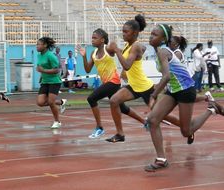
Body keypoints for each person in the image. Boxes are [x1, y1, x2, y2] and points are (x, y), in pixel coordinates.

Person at [144, 24, 224, 172]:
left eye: (154, 35)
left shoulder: (163, 52)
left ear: (163, 39)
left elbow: (167, 76)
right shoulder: (159, 52)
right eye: (151, 34)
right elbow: (168, 76)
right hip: (174, 90)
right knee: (153, 120)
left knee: (186, 132)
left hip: (186, 90)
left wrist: (153, 95)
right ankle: (161, 159)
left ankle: (211, 109)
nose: (150, 37)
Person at [106, 14, 174, 142]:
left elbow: (126, 65)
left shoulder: (136, 46)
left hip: (144, 87)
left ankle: (187, 127)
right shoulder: (128, 45)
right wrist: (111, 49)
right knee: (114, 101)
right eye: (123, 31)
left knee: (163, 114)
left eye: (126, 32)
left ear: (135, 33)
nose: (123, 34)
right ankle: (120, 134)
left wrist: (117, 51)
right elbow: (115, 54)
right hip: (133, 86)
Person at [77, 28, 145, 138]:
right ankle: (144, 122)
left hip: (113, 82)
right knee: (122, 108)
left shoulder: (108, 49)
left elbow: (124, 53)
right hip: (107, 83)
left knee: (91, 98)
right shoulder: (93, 53)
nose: (92, 40)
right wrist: (84, 56)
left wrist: (136, 51)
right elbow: (88, 70)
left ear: (102, 40)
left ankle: (99, 128)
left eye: (95, 38)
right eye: (92, 38)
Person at [36, 37, 67, 129]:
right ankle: (61, 102)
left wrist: (44, 70)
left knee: (50, 102)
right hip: (45, 82)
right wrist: (41, 76)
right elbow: (41, 67)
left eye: (38, 44)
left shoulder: (51, 56)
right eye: (36, 44)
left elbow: (57, 70)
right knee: (40, 103)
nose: (37, 46)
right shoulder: (39, 55)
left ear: (45, 45)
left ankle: (57, 121)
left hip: (54, 82)